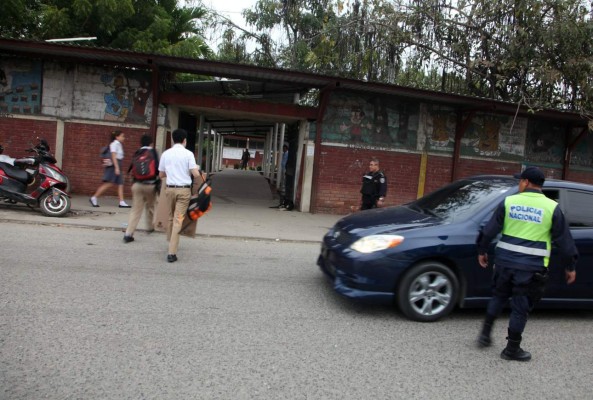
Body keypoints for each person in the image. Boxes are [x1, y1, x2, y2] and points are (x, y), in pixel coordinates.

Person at [476, 166, 578, 361]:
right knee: (520, 306)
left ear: (526, 182)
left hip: (504, 263)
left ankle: (485, 335)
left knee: (498, 296)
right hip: (530, 268)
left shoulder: (509, 202)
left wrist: (482, 250)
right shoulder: (551, 208)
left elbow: (489, 230)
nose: (518, 184)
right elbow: (564, 241)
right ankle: (511, 349)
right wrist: (570, 266)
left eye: (520, 181)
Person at [158, 128, 203, 263]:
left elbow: (161, 175)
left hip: (170, 190)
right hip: (183, 191)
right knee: (178, 220)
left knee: (171, 218)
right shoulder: (188, 154)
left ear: (173, 139)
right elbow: (195, 174)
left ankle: (171, 241)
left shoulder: (166, 154)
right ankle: (172, 253)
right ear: (185, 140)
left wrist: (172, 172)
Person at [123, 134, 159, 243]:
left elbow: (131, 168)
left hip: (137, 185)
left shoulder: (137, 152)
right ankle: (150, 227)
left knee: (136, 210)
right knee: (150, 206)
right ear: (151, 143)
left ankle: (128, 233)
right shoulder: (153, 152)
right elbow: (158, 168)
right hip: (150, 185)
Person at [89, 130, 131, 208]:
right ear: (117, 137)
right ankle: (94, 197)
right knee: (109, 183)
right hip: (114, 166)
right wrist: (117, 168)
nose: (123, 138)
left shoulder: (118, 144)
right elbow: (113, 156)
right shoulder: (114, 144)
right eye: (122, 136)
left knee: (120, 184)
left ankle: (121, 202)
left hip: (118, 165)